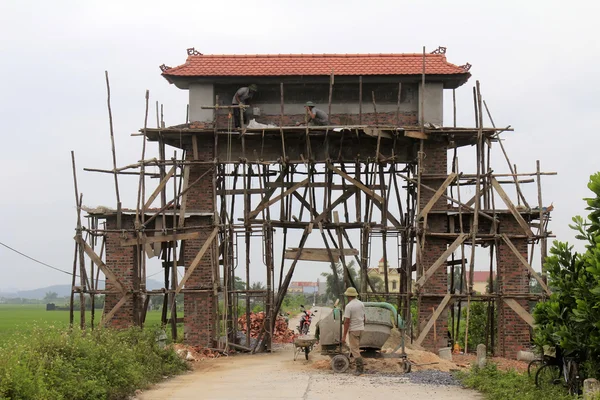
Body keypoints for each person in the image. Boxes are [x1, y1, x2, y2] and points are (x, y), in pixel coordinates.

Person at [342, 287, 365, 374]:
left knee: (354, 349)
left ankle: (360, 369)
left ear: (348, 296)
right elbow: (364, 317)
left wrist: (344, 336)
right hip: (361, 329)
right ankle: (354, 363)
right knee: (356, 348)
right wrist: (362, 326)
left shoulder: (349, 306)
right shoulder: (361, 304)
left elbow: (347, 322)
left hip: (354, 330)